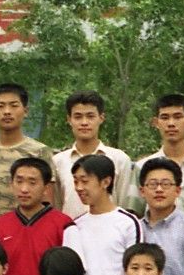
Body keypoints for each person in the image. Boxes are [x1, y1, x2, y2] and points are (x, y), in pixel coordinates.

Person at [62, 153, 144, 275]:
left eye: (85, 181)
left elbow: (137, 269)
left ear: (106, 182)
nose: (79, 188)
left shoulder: (128, 223)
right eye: (75, 181)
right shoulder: (75, 226)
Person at [0, 157, 73, 275]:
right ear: (11, 184)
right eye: (19, 181)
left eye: (32, 183)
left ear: (46, 188)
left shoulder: (63, 224)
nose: (24, 189)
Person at [51, 91, 135, 219]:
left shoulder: (119, 159)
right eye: (78, 117)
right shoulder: (58, 161)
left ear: (101, 118)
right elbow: (57, 206)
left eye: (90, 116)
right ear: (69, 119)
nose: (84, 122)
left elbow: (124, 204)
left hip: (111, 228)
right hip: (70, 228)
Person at [128, 94, 184, 219]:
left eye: (178, 117)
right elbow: (133, 215)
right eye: (165, 117)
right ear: (156, 122)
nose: (171, 123)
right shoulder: (142, 167)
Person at [0, 83, 54, 219]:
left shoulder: (39, 151)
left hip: (30, 226)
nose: (7, 111)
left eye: (14, 105)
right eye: (1, 106)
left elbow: (48, 201)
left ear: (25, 111)